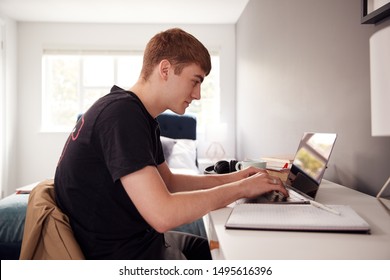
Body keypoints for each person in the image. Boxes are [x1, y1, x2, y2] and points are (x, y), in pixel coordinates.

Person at [54, 28, 288, 260]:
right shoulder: (122, 115)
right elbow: (163, 215)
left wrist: (237, 178)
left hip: (143, 242)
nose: (197, 94)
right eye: (194, 81)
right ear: (165, 69)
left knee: (233, 253)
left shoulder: (141, 117)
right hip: (123, 257)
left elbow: (169, 182)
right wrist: (241, 190)